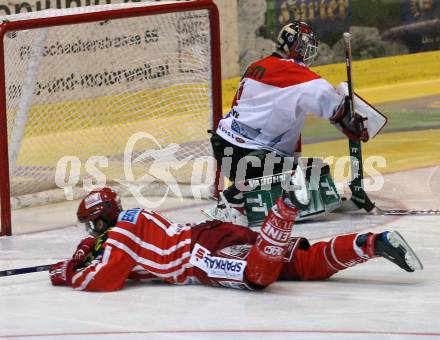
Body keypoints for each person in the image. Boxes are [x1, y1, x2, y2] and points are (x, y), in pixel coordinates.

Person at [49, 187, 422, 292]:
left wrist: (68, 271)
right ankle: (372, 242)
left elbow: (106, 278)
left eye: (90, 227)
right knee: (304, 266)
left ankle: (284, 210)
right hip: (216, 234)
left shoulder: (121, 234)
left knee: (259, 276)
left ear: (100, 222)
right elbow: (127, 264)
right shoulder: (134, 221)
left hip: (201, 253)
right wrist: (88, 251)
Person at [205, 21, 366, 225]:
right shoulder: (294, 73)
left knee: (304, 165)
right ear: (297, 47)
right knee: (313, 172)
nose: (308, 52)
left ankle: (242, 191)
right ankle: (234, 199)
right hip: (249, 155)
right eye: (305, 47)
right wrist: (346, 113)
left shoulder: (256, 67)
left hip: (224, 146)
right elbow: (328, 101)